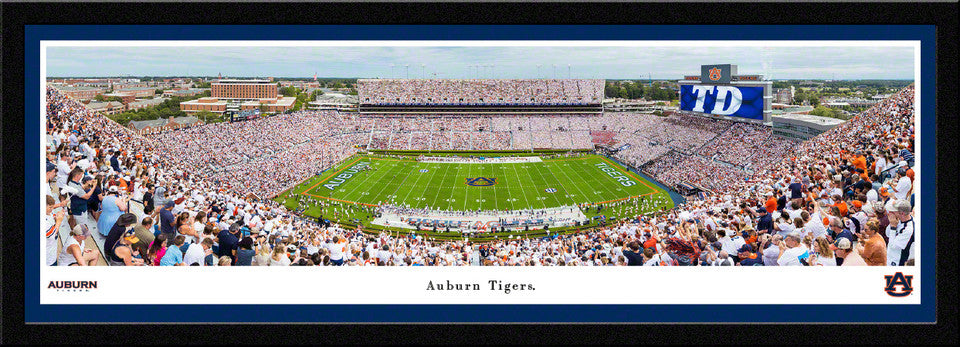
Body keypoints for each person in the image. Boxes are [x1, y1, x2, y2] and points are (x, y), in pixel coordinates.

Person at [885, 200, 915, 266]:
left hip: (898, 261)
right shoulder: (899, 220)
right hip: (890, 257)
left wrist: (893, 227)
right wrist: (891, 224)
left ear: (902, 213)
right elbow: (887, 234)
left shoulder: (909, 229)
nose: (890, 213)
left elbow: (893, 246)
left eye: (893, 211)